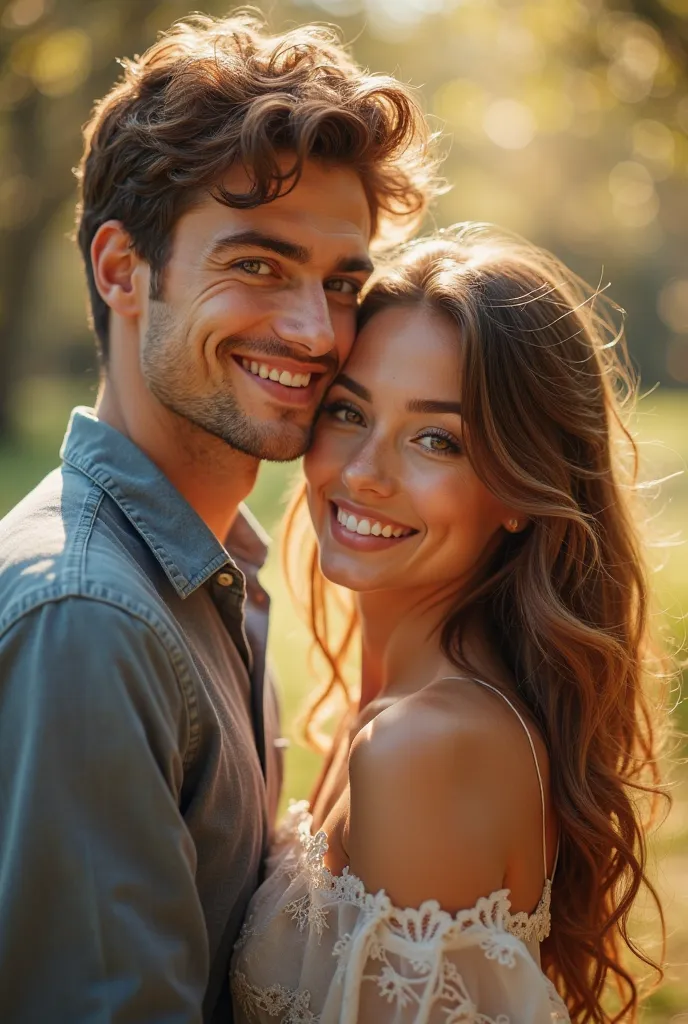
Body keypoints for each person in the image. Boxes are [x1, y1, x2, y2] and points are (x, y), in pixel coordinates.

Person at [0, 13, 439, 1023]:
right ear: (121, 270)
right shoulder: (91, 619)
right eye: (257, 266)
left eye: (341, 283)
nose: (315, 331)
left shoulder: (203, 572)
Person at [231, 225, 668, 1023]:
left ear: (517, 491)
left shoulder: (422, 750)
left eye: (436, 439)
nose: (364, 473)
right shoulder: (389, 714)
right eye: (348, 412)